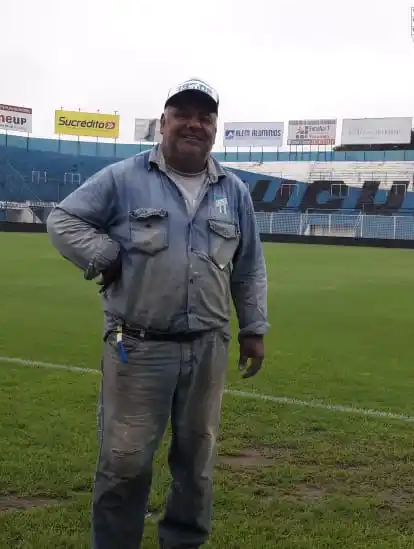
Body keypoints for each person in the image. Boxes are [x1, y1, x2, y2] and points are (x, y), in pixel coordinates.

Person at [45, 78, 269, 549]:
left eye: (205, 117)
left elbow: (248, 268)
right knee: (124, 463)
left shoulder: (235, 191)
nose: (194, 124)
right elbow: (63, 220)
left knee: (197, 464)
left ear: (214, 128)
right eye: (183, 114)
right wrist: (105, 254)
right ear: (163, 122)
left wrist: (254, 328)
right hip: (138, 346)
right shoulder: (123, 178)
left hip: (208, 347)